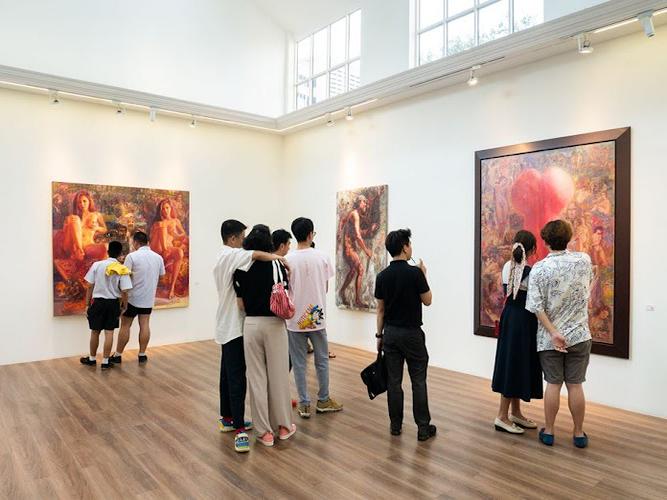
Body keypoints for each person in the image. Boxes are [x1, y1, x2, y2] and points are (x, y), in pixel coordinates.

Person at [213, 219, 289, 453]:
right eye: (241, 237)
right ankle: (241, 430)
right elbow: (256, 255)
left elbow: (241, 299)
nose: (244, 241)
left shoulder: (229, 260)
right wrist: (278, 258)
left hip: (236, 325)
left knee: (230, 375)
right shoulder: (234, 256)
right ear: (233, 238)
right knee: (244, 378)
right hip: (242, 326)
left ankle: (231, 419)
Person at [526, 220, 593, 449]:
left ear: (545, 241)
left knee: (553, 384)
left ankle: (549, 431)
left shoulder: (539, 268)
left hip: (549, 339)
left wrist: (554, 333)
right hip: (579, 335)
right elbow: (586, 288)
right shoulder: (584, 260)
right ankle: (579, 433)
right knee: (575, 385)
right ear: (569, 238)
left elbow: (536, 306)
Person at [234, 226, 296, 447]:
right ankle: (284, 426)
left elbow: (240, 305)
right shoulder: (278, 264)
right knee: (279, 376)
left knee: (257, 378)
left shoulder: (240, 267)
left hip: (251, 324)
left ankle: (264, 432)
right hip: (275, 324)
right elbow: (285, 295)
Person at [374, 229, 436, 441]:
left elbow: (380, 310)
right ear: (404, 247)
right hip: (412, 334)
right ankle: (423, 428)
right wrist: (423, 274)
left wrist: (379, 336)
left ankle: (395, 425)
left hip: (391, 334)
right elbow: (428, 300)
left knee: (394, 381)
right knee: (418, 380)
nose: (411, 248)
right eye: (409, 244)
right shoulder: (415, 274)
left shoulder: (382, 276)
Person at [287, 217, 343, 419]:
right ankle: (323, 399)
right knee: (322, 360)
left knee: (299, 363)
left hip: (295, 320)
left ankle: (304, 404)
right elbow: (325, 287)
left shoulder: (288, 260)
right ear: (310, 234)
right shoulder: (322, 257)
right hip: (316, 317)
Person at [491, 230, 543, 435]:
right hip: (522, 321)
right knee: (513, 365)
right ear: (532, 249)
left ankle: (515, 413)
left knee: (513, 362)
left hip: (510, 317)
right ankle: (502, 416)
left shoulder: (507, 266)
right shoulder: (531, 272)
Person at [111, 231, 165, 364]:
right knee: (145, 324)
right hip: (148, 298)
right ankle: (142, 354)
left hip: (132, 298)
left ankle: (118, 355)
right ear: (147, 242)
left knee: (125, 325)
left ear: (136, 242)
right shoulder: (158, 257)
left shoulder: (132, 256)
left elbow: (124, 275)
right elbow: (162, 276)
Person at [80, 241, 132, 370]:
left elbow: (89, 286)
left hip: (98, 303)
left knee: (95, 332)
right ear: (120, 254)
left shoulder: (97, 265)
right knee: (109, 333)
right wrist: (124, 306)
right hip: (113, 303)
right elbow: (125, 291)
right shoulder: (122, 269)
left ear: (108, 252)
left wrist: (87, 304)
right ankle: (105, 361)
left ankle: (92, 359)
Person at [338, 195, 376, 308]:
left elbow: (357, 231)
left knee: (353, 271)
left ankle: (342, 291)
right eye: (364, 202)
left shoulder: (354, 215)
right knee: (360, 269)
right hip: (349, 248)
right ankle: (357, 300)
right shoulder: (355, 214)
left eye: (367, 203)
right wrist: (367, 251)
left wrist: (370, 230)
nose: (366, 205)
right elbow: (358, 237)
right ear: (359, 203)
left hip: (350, 248)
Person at [149, 198, 188, 300]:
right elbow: (152, 237)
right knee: (161, 225)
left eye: (167, 208)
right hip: (157, 249)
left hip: (168, 248)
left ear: (171, 208)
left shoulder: (176, 221)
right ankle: (165, 250)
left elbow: (183, 235)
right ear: (160, 211)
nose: (165, 210)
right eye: (162, 209)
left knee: (179, 252)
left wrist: (175, 235)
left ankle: (172, 288)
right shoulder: (158, 223)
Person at [56, 190, 108, 261]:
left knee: (105, 247)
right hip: (72, 246)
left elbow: (105, 230)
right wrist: (67, 224)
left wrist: (97, 228)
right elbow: (65, 233)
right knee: (75, 218)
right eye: (79, 202)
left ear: (89, 201)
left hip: (88, 245)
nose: (82, 204)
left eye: (84, 201)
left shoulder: (96, 215)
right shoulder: (73, 217)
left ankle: (80, 253)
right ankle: (79, 250)